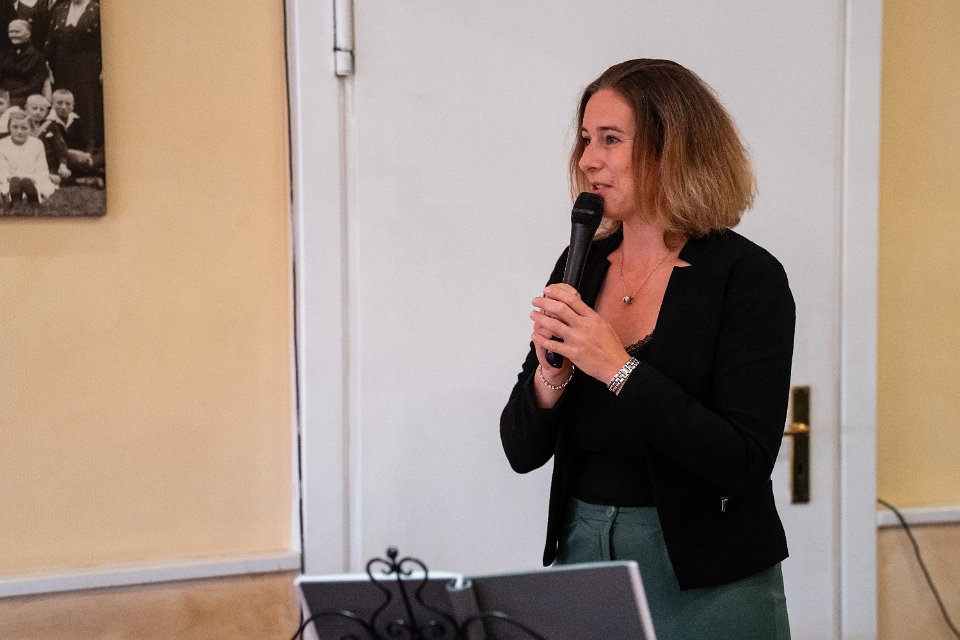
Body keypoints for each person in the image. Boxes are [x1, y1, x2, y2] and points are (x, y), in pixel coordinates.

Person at [499, 59, 795, 640]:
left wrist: (616, 366)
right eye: (586, 139)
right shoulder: (580, 263)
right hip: (585, 552)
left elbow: (742, 462)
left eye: (611, 139)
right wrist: (551, 376)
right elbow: (521, 449)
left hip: (710, 577)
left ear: (672, 151)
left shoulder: (747, 277)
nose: (588, 159)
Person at [44, 0, 102, 154]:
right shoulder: (60, 9)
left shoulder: (97, 10)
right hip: (62, 64)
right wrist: (47, 65)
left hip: (87, 64)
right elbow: (50, 40)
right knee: (62, 102)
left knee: (85, 103)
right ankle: (62, 146)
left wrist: (104, 68)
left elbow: (106, 41)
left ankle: (88, 146)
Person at [0, 107, 57, 203]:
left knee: (42, 186)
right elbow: (2, 170)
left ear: (30, 129)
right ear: (9, 127)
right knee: (5, 186)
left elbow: (42, 168)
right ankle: (15, 195)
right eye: (15, 127)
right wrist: (9, 179)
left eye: (24, 128)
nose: (19, 132)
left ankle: (31, 196)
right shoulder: (2, 144)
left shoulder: (37, 144)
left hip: (32, 178)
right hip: (10, 179)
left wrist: (34, 179)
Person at [0, 18, 48, 107]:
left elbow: (35, 85)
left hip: (25, 97)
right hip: (3, 94)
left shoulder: (37, 57)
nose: (13, 35)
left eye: (17, 32)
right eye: (11, 32)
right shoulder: (5, 54)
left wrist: (11, 94)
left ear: (28, 34)